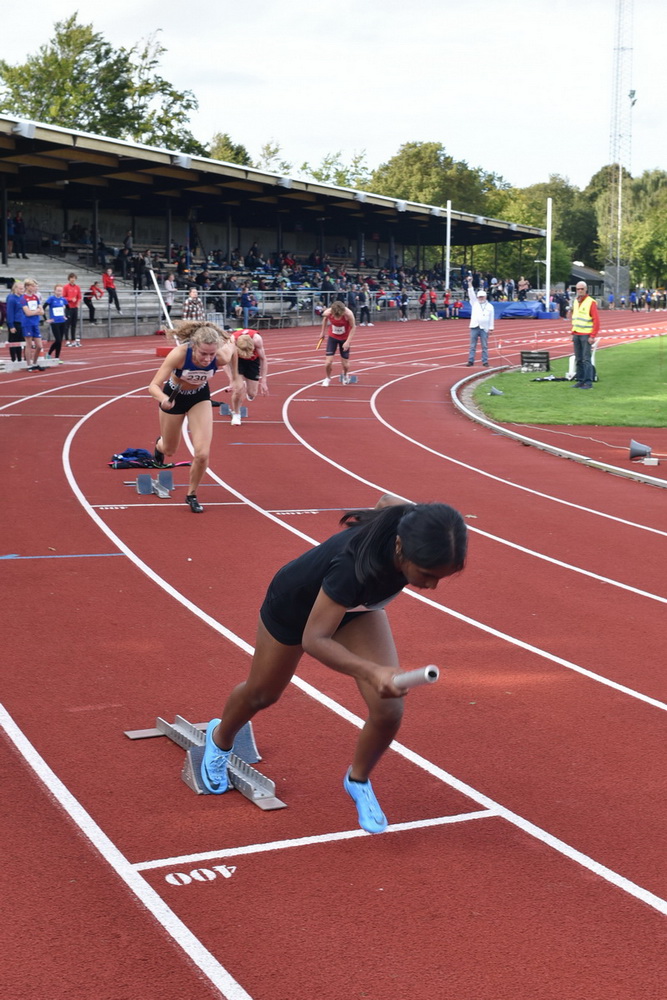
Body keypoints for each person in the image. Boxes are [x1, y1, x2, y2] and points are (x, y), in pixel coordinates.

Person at [198, 501, 468, 833]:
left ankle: (358, 779)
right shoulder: (350, 566)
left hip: (356, 608)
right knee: (263, 694)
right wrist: (371, 671)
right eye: (427, 574)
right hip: (295, 609)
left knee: (389, 709)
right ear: (400, 547)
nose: (432, 586)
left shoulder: (412, 520)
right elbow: (315, 640)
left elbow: (386, 503)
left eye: (441, 577)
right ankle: (220, 738)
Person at [148, 320, 241, 513]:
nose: (208, 360)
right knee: (170, 449)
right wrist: (163, 399)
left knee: (202, 453)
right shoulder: (180, 355)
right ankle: (160, 444)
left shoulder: (220, 356)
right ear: (194, 346)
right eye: (203, 354)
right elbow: (153, 386)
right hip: (173, 397)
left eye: (211, 354)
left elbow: (233, 346)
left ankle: (191, 494)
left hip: (199, 397)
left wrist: (235, 378)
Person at [228, 329, 269, 426]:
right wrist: (231, 379)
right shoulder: (232, 341)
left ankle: (246, 388)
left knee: (252, 393)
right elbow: (225, 362)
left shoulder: (257, 339)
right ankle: (236, 414)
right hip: (237, 361)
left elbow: (263, 359)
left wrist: (263, 381)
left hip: (253, 362)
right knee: (238, 389)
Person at [570, 281, 600, 390]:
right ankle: (580, 380)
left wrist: (592, 335)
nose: (580, 291)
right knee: (578, 359)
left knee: (586, 359)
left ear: (586, 289)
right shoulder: (575, 301)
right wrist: (572, 332)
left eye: (582, 289)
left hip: (586, 335)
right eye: (578, 289)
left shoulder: (590, 302)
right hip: (577, 334)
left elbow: (596, 320)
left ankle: (588, 382)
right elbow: (575, 318)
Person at [319, 299, 356, 386]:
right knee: (328, 362)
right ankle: (327, 378)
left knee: (345, 363)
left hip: (344, 338)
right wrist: (322, 332)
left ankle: (345, 375)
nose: (338, 317)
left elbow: (353, 327)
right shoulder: (328, 312)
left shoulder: (348, 314)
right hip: (333, 337)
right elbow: (324, 319)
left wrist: (348, 342)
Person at [465, 276, 494, 367]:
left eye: (482, 296)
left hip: (484, 328)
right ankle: (471, 360)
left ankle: (485, 361)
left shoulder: (490, 306)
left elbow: (491, 318)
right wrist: (470, 282)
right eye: (479, 297)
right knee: (472, 345)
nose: (480, 298)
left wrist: (491, 328)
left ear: (485, 296)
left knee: (484, 346)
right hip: (474, 326)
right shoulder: (474, 303)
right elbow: (471, 292)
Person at [20, 278, 45, 370]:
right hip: (27, 323)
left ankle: (34, 363)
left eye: (35, 286)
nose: (35, 288)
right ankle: (29, 364)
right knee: (29, 344)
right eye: (33, 286)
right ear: (27, 287)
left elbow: (42, 312)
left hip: (35, 323)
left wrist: (36, 311)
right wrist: (37, 311)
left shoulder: (36, 297)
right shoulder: (23, 298)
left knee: (39, 346)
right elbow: (28, 313)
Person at [44, 284, 69, 361]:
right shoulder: (51, 298)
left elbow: (68, 308)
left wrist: (66, 316)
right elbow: (43, 308)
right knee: (58, 340)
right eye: (58, 290)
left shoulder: (63, 299)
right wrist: (46, 319)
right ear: (54, 291)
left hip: (62, 322)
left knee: (60, 341)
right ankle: (48, 353)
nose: (59, 292)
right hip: (54, 322)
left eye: (60, 290)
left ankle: (57, 357)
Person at [5, 281, 25, 364]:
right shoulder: (11, 298)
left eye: (23, 289)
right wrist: (11, 325)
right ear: (15, 289)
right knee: (13, 342)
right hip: (14, 322)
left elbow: (25, 309)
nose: (22, 290)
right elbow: (10, 312)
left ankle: (20, 359)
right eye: (20, 289)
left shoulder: (23, 298)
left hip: (22, 322)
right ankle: (13, 359)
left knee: (20, 342)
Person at [62, 272, 82, 346]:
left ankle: (73, 339)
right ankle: (67, 339)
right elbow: (63, 297)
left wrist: (78, 303)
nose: (72, 279)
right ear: (69, 279)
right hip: (68, 307)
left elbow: (79, 297)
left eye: (74, 278)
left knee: (74, 324)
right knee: (67, 324)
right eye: (71, 278)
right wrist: (70, 299)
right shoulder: (66, 287)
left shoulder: (77, 287)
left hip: (75, 307)